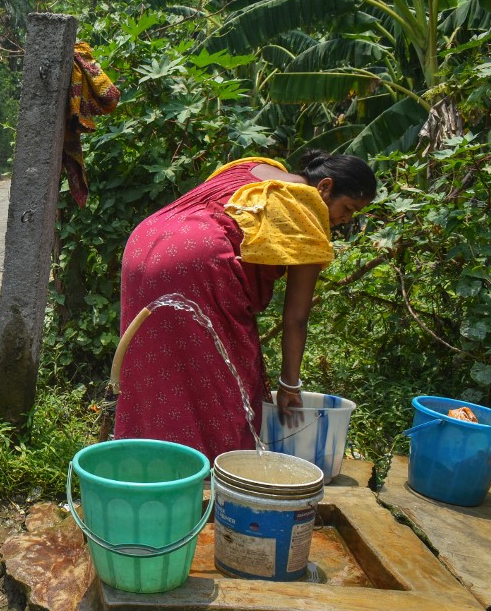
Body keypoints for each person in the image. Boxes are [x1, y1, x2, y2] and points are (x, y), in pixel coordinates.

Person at [114, 151, 377, 462]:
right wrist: (290, 384)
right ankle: (215, 476)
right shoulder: (308, 205)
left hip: (145, 243)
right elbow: (296, 317)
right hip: (200, 259)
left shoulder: (256, 166)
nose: (346, 219)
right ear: (325, 187)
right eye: (347, 208)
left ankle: (140, 465)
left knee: (152, 367)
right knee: (227, 384)